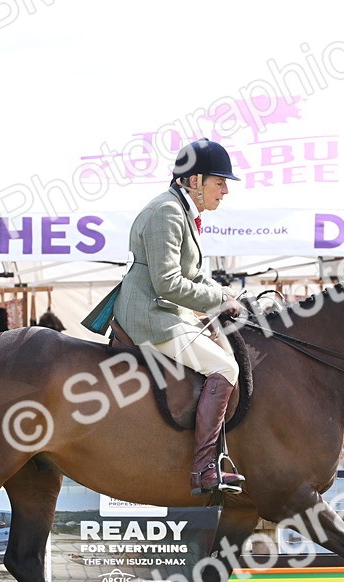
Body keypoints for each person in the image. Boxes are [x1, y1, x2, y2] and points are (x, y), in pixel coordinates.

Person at [113, 138, 245, 496]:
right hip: (151, 315)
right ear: (195, 180)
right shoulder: (167, 212)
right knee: (226, 368)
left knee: (227, 347)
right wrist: (218, 298)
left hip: (166, 308)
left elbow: (194, 274)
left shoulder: (182, 210)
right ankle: (204, 467)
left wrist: (227, 295)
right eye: (220, 182)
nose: (225, 191)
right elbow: (168, 283)